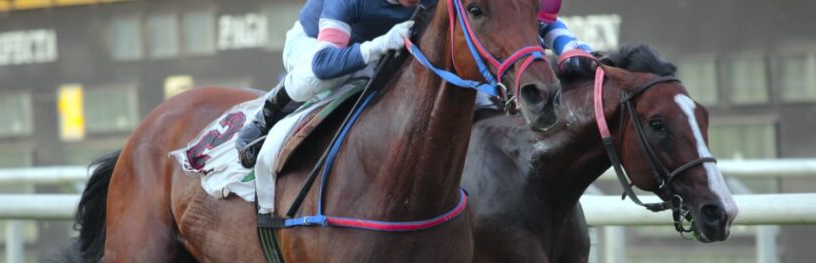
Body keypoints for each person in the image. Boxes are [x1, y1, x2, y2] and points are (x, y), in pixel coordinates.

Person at [237, 0, 593, 167]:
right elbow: (326, 62)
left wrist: (568, 46)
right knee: (316, 79)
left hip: (392, 48)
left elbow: (521, 16)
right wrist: (378, 46)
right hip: (320, 49)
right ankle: (267, 116)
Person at [235, 0, 421, 167]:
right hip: (313, 44)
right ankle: (264, 119)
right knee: (326, 77)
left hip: (369, 56)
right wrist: (380, 45)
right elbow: (322, 64)